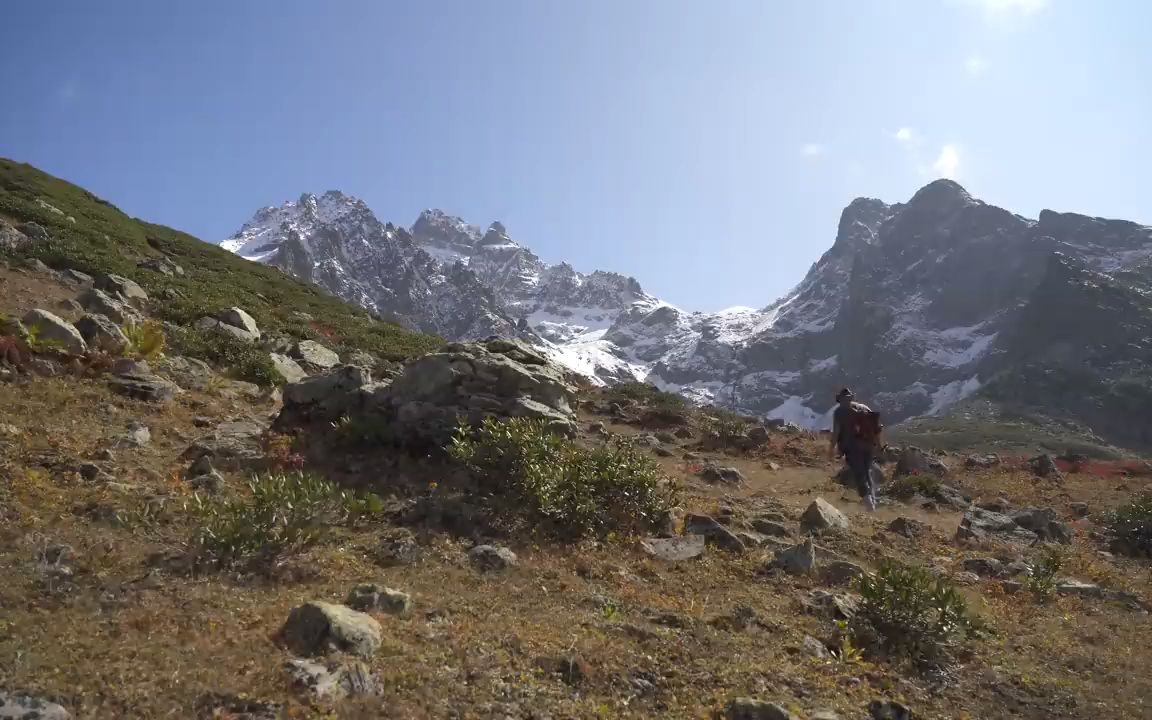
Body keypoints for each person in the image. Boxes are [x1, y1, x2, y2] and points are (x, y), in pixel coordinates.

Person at [828, 387, 881, 511]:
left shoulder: (839, 412)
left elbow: (836, 433)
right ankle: (872, 500)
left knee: (859, 475)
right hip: (868, 446)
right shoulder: (864, 408)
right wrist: (878, 445)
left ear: (840, 399)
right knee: (867, 472)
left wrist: (831, 450)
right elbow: (876, 428)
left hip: (852, 448)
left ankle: (869, 504)